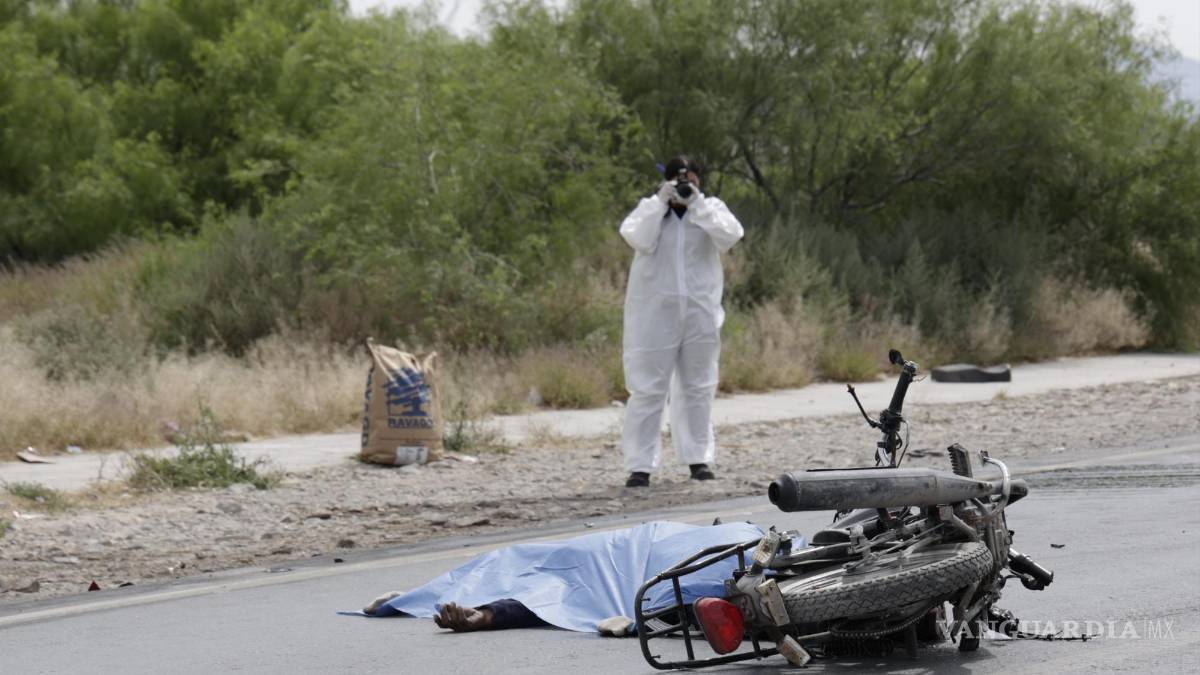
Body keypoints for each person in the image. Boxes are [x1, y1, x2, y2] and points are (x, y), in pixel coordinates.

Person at [357, 520, 767, 634]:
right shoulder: (749, 538)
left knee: (562, 579)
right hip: (639, 547)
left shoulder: (749, 542)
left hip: (644, 556)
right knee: (559, 574)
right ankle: (422, 597)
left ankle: (466, 608)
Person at [619, 156, 744, 488]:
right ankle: (640, 465)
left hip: (700, 312)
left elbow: (730, 235)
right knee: (647, 389)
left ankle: (698, 459)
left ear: (699, 181)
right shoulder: (651, 210)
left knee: (699, 386)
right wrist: (661, 202)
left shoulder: (710, 209)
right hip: (653, 315)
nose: (684, 187)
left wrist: (697, 205)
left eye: (689, 180)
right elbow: (635, 237)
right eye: (677, 180)